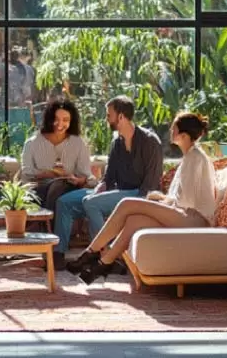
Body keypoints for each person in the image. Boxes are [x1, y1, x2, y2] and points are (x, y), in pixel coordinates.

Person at [69, 112, 216, 284]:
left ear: (183, 135)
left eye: (173, 128)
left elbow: (186, 202)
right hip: (185, 214)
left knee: (127, 203)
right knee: (134, 220)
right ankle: (103, 263)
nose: (170, 130)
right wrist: (161, 199)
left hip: (196, 220)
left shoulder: (195, 158)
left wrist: (160, 202)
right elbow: (180, 197)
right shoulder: (188, 157)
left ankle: (89, 253)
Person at [53, 96, 163, 270]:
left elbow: (150, 184)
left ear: (120, 117)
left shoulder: (150, 141)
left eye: (108, 115)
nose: (106, 119)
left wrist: (103, 197)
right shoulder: (116, 143)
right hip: (116, 192)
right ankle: (58, 254)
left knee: (91, 203)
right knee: (65, 202)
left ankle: (111, 255)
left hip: (140, 195)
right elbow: (108, 179)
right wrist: (98, 189)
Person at [21, 98, 96, 269]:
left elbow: (86, 176)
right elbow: (26, 172)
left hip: (68, 186)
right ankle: (54, 249)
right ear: (49, 118)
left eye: (66, 120)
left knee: (58, 187)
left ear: (72, 121)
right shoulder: (33, 142)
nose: (60, 124)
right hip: (37, 188)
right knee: (52, 187)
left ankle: (51, 248)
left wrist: (77, 179)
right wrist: (50, 173)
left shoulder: (78, 143)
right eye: (56, 119)